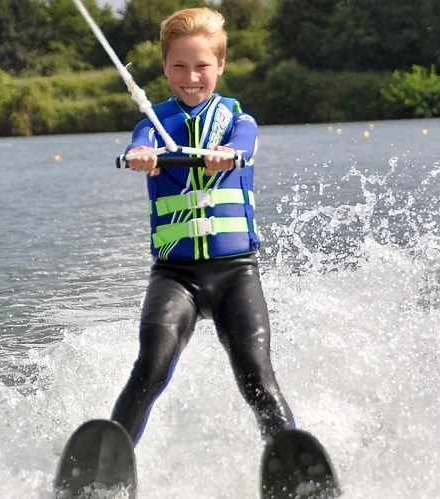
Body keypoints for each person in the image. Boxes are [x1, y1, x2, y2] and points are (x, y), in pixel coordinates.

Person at [111, 7, 295, 447]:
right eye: (179, 66)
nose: (190, 77)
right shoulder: (151, 126)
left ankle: (290, 457)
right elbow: (139, 143)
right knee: (152, 364)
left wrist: (228, 153)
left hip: (236, 273)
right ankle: (107, 453)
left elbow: (244, 146)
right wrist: (141, 156)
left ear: (221, 65)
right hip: (176, 277)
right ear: (164, 66)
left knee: (256, 374)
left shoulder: (239, 121)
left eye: (201, 66)